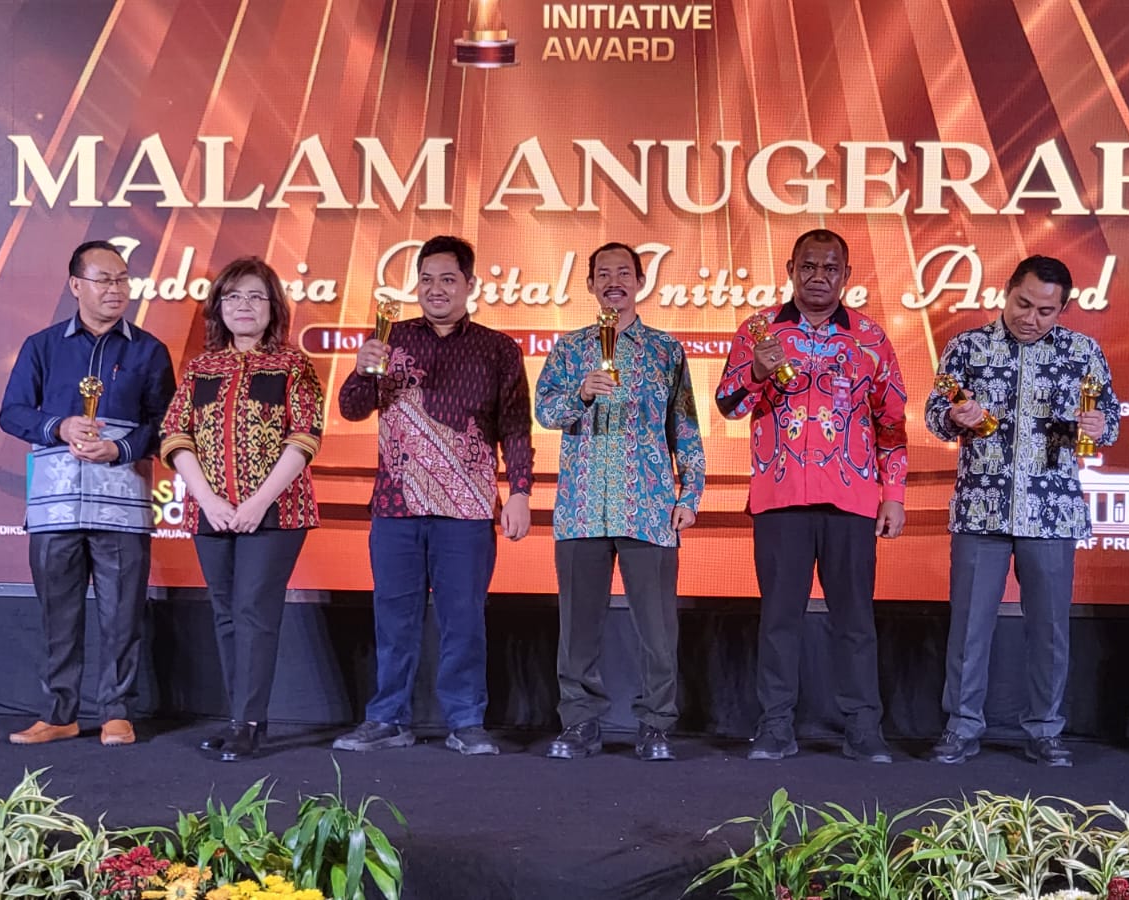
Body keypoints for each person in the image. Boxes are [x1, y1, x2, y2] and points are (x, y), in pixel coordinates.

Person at [332, 235, 533, 755]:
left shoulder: (498, 349)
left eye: (448, 279)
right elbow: (351, 408)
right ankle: (387, 719)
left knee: (463, 619)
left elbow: (515, 426)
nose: (436, 289)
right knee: (393, 618)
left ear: (470, 284)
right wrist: (362, 368)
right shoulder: (389, 339)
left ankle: (466, 722)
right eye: (426, 280)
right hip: (396, 506)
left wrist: (520, 491)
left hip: (466, 509)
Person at [715, 229, 907, 763]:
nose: (818, 276)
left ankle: (863, 728)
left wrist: (894, 494)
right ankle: (776, 726)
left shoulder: (870, 338)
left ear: (846, 275)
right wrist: (757, 370)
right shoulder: (759, 331)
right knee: (779, 621)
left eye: (830, 268)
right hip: (780, 498)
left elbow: (892, 423)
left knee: (855, 621)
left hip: (852, 499)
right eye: (808, 266)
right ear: (790, 269)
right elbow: (729, 405)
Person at [925, 256, 1118, 768]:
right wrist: (956, 415)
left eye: (1045, 311)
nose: (1031, 318)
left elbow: (1109, 419)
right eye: (1023, 304)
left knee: (1050, 630)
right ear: (1006, 293)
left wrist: (1098, 428)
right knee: (969, 626)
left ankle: (1046, 729)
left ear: (1063, 309)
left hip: (1051, 512)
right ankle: (961, 725)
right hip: (980, 509)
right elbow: (935, 416)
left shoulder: (1082, 352)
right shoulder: (967, 347)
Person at [0, 239, 175, 747]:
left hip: (123, 504)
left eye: (122, 279)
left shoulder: (148, 350)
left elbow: (166, 424)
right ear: (76, 285)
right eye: (104, 279)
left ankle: (117, 712)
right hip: (54, 506)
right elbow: (12, 412)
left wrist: (120, 448)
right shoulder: (42, 346)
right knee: (58, 614)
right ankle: (60, 714)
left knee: (122, 613)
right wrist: (60, 426)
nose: (115, 289)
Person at [534, 242, 707, 762]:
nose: (615, 282)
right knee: (577, 631)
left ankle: (656, 725)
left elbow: (685, 427)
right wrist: (580, 394)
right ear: (589, 284)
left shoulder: (665, 350)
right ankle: (580, 723)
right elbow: (545, 412)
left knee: (657, 630)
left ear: (640, 282)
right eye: (604, 274)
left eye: (624, 273)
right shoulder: (570, 349)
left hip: (649, 508)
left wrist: (690, 493)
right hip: (581, 508)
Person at [160, 257, 324, 761]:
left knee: (254, 610)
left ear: (274, 307)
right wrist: (207, 499)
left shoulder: (293, 365)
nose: (243, 306)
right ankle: (238, 718)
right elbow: (175, 434)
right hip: (210, 511)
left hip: (274, 512)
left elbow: (304, 437)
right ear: (218, 308)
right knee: (226, 614)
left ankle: (250, 722)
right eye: (232, 297)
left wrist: (257, 502)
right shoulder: (200, 368)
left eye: (255, 296)